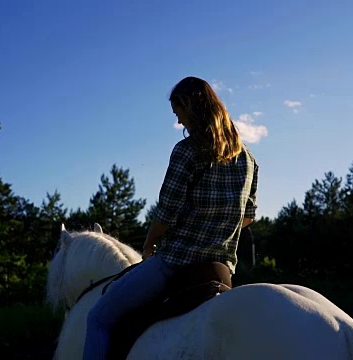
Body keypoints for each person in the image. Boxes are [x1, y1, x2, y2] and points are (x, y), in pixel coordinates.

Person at [82, 76, 259, 359]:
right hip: (221, 268)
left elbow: (166, 212)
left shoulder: (188, 150)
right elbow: (247, 217)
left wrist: (150, 244)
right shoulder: (248, 158)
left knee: (98, 319)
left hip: (177, 262)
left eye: (179, 113)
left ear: (190, 107)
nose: (179, 122)